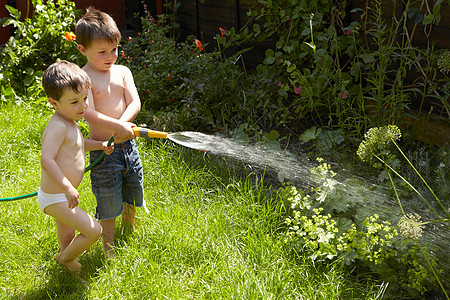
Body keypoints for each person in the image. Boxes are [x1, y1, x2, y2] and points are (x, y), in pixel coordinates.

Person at [75, 7, 144, 258]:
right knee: (108, 198)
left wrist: (123, 126)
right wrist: (118, 129)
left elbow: (135, 102)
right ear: (83, 50)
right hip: (105, 149)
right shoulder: (84, 78)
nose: (110, 56)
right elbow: (89, 114)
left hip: (128, 147)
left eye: (114, 49)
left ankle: (130, 231)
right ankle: (109, 249)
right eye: (102, 52)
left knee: (132, 189)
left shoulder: (123, 72)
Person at [40, 60, 114, 274]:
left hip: (61, 196)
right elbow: (47, 160)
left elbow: (79, 145)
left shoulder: (70, 122)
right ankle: (63, 259)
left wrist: (100, 145)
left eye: (84, 99)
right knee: (94, 231)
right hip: (57, 196)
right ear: (54, 103)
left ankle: (71, 271)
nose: (82, 106)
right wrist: (67, 187)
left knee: (67, 236)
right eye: (74, 102)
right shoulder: (57, 127)